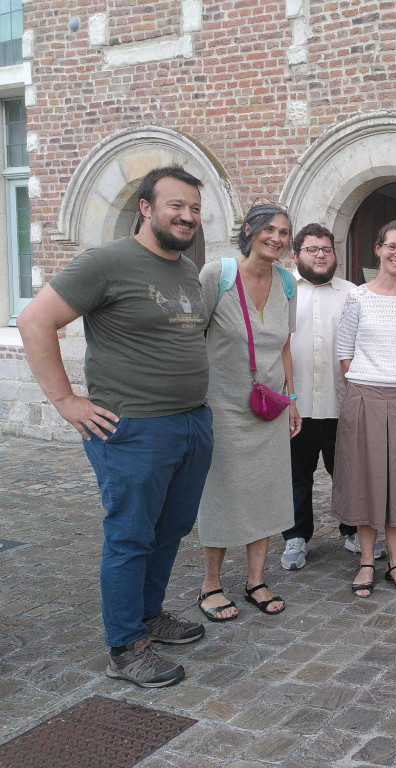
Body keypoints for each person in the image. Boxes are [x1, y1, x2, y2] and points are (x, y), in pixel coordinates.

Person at [17, 165, 212, 687]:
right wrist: (65, 399)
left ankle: (149, 615)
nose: (187, 216)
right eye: (176, 205)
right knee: (130, 535)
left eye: (194, 208)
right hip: (135, 430)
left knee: (171, 529)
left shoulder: (187, 268)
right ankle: (125, 647)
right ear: (146, 208)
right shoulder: (106, 262)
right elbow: (35, 320)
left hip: (192, 422)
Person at [196, 204, 299, 621]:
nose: (277, 237)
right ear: (250, 231)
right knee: (221, 492)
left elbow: (285, 345)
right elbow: (192, 337)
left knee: (267, 492)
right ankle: (210, 584)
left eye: (284, 232)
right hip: (220, 405)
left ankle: (256, 579)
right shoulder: (215, 276)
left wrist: (292, 400)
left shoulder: (287, 281)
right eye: (269, 229)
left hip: (269, 406)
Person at [335, 221, 396, 596]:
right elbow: (345, 354)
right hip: (364, 398)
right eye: (391, 246)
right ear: (377, 249)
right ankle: (365, 561)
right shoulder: (357, 297)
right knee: (366, 480)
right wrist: (366, 387)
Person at [281, 223, 377, 570]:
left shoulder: (352, 293)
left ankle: (352, 531)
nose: (321, 255)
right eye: (312, 249)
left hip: (342, 403)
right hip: (296, 403)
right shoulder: (282, 289)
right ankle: (295, 537)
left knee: (348, 473)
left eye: (327, 248)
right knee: (296, 475)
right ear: (296, 254)